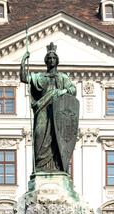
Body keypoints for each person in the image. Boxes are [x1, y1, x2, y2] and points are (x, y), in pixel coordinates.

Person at [20, 42, 77, 173]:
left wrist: (60, 92)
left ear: (57, 61)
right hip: (43, 109)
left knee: (57, 138)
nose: (51, 60)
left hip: (58, 112)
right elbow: (24, 78)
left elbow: (73, 90)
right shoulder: (40, 77)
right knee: (39, 133)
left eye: (53, 58)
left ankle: (58, 166)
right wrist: (23, 61)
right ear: (46, 61)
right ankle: (40, 166)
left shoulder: (63, 77)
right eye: (49, 58)